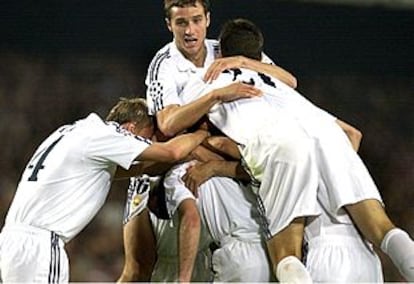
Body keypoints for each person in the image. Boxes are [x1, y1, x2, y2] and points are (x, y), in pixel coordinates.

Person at [182, 18, 414, 282]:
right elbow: (352, 133)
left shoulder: (205, 81)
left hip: (280, 146)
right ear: (260, 56)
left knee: (286, 256)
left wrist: (210, 154)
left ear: (221, 53)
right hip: (327, 134)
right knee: (386, 231)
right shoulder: (280, 84)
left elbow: (183, 128)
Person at [0, 97, 209, 282]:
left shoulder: (74, 133)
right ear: (129, 129)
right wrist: (202, 132)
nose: (147, 145)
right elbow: (172, 152)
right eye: (146, 138)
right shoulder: (107, 135)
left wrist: (186, 156)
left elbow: (139, 168)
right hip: (38, 249)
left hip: (11, 241)